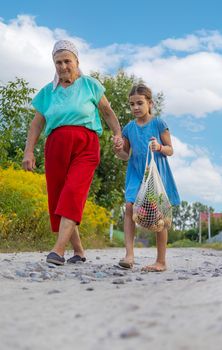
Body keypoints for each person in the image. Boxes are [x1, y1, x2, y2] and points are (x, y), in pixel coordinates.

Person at [22, 39, 123, 265]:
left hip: (86, 144)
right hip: (56, 145)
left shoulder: (90, 85)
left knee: (73, 193)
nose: (63, 66)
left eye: (67, 61)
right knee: (59, 197)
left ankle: (57, 250)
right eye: (58, 62)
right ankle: (78, 251)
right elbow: (36, 124)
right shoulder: (48, 92)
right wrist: (28, 151)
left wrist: (118, 134)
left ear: (77, 61)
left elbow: (107, 112)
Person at [114, 83, 180, 272]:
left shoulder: (159, 123)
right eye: (132, 104)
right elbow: (125, 155)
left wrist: (159, 147)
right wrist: (118, 150)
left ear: (149, 103)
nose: (135, 108)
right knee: (129, 207)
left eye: (139, 103)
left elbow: (170, 150)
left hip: (156, 173)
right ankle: (129, 255)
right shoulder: (128, 128)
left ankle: (161, 261)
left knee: (159, 216)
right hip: (136, 173)